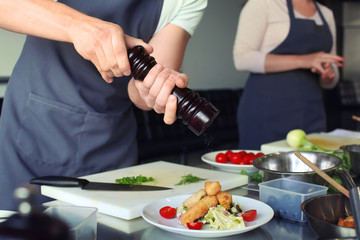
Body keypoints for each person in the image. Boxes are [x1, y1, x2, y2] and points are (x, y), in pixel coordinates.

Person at [0, 0, 207, 210]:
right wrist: (79, 26)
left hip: (110, 138)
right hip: (35, 128)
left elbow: (141, 92)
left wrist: (150, 91)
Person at [233, 0, 344, 150]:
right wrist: (305, 61)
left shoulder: (326, 14)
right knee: (263, 171)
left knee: (311, 169)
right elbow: (242, 59)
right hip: (266, 112)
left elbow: (332, 74)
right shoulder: (262, 4)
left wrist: (328, 73)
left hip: (311, 112)